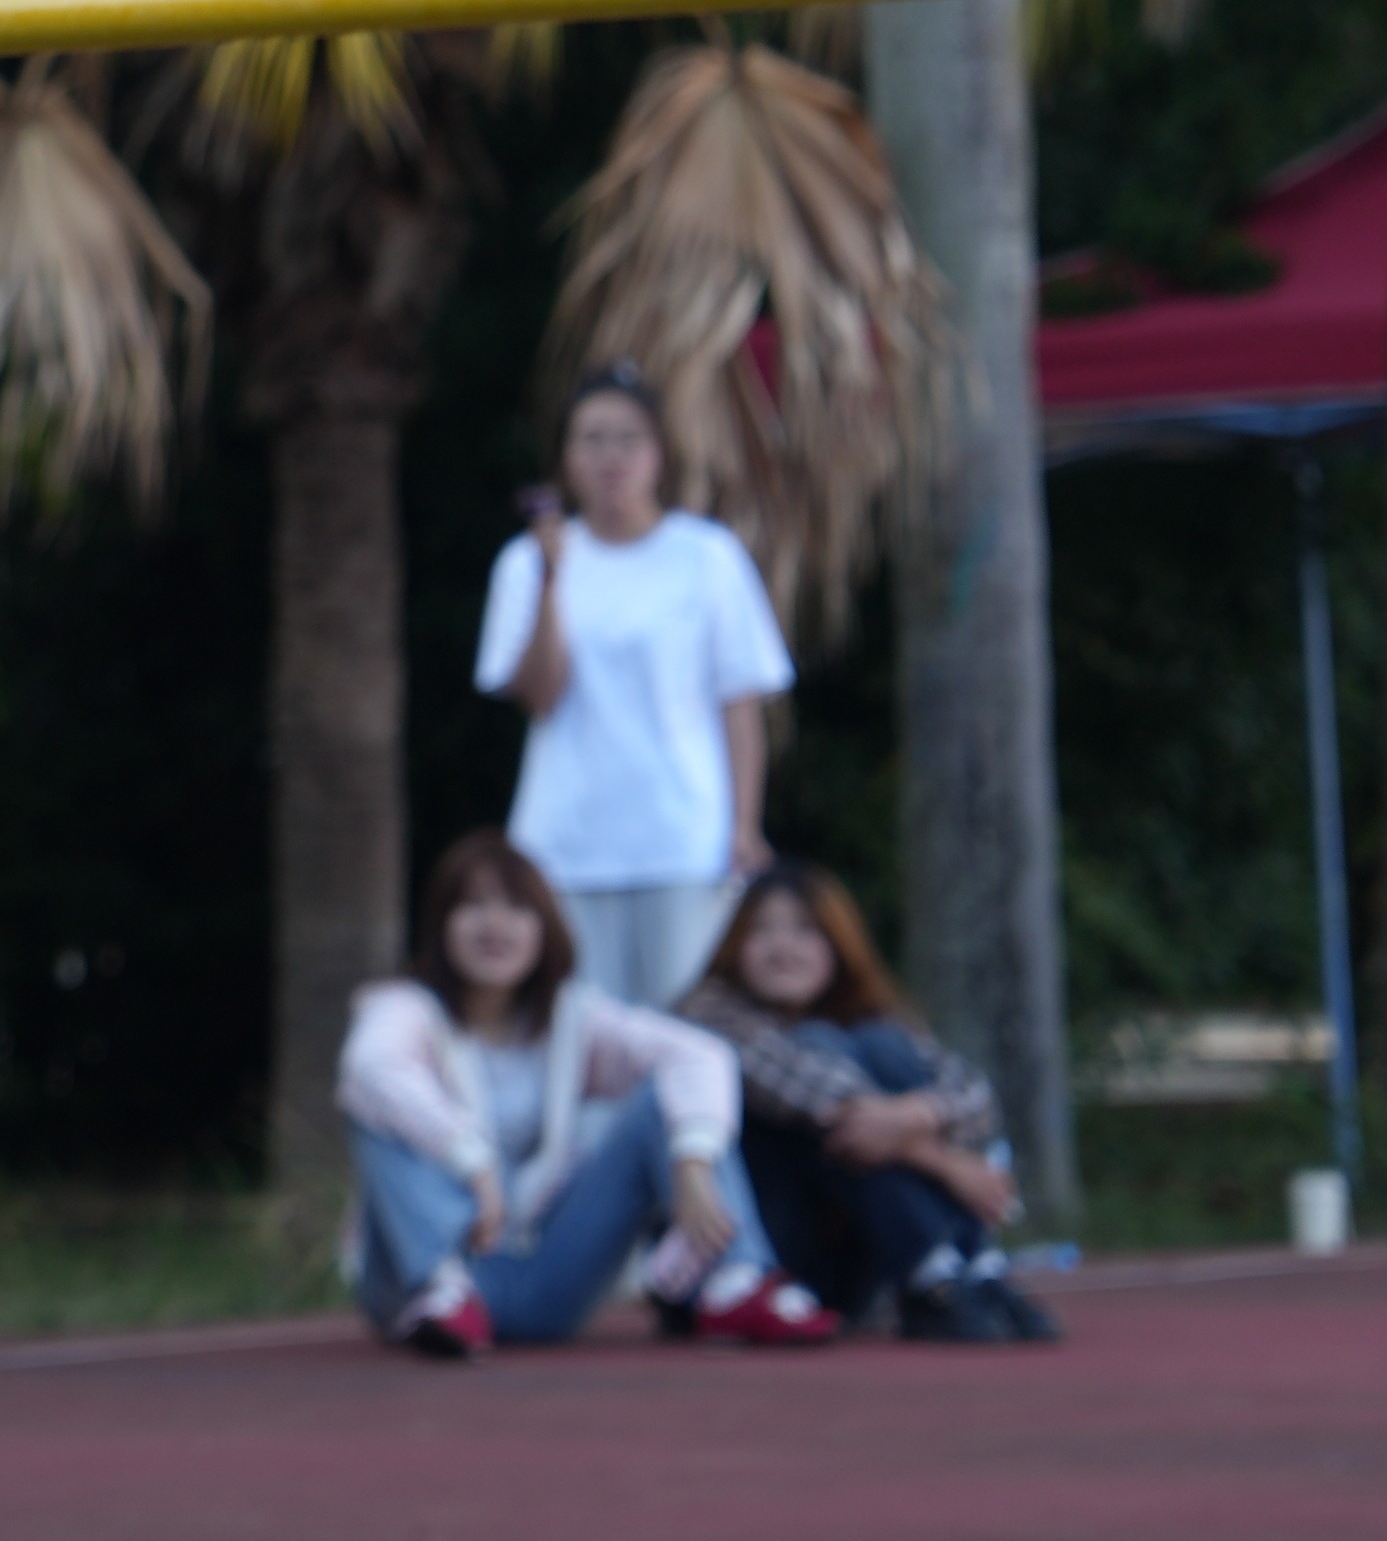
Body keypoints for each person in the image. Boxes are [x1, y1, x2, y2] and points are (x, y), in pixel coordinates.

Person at [333, 829, 837, 1358]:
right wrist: (471, 1159)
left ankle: (734, 1279)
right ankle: (443, 1289)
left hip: (540, 1277)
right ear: (441, 924)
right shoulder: (404, 1009)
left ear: (544, 928)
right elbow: (370, 1068)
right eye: (474, 905)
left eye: (516, 908)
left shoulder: (573, 1018)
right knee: (376, 1100)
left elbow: (699, 1054)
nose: (494, 924)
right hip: (415, 1279)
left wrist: (693, 1157)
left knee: (666, 1097)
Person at [471, 367, 792, 1016]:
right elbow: (540, 694)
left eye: (628, 439)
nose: (610, 457)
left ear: (659, 453)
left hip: (682, 839)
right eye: (592, 440)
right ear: (566, 457)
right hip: (566, 842)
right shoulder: (526, 564)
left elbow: (739, 702)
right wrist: (552, 580)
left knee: (688, 1026)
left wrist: (744, 825)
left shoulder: (707, 557)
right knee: (582, 1029)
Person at [673, 862, 1054, 1343]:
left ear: (838, 943)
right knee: (823, 1054)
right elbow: (825, 1104)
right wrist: (949, 1165)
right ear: (734, 943)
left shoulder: (873, 1019)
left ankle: (970, 1269)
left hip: (848, 1257)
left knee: (883, 1046)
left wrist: (918, 1115)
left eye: (804, 930)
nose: (782, 947)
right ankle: (934, 1273)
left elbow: (976, 1099)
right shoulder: (709, 1013)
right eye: (762, 931)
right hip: (762, 1255)